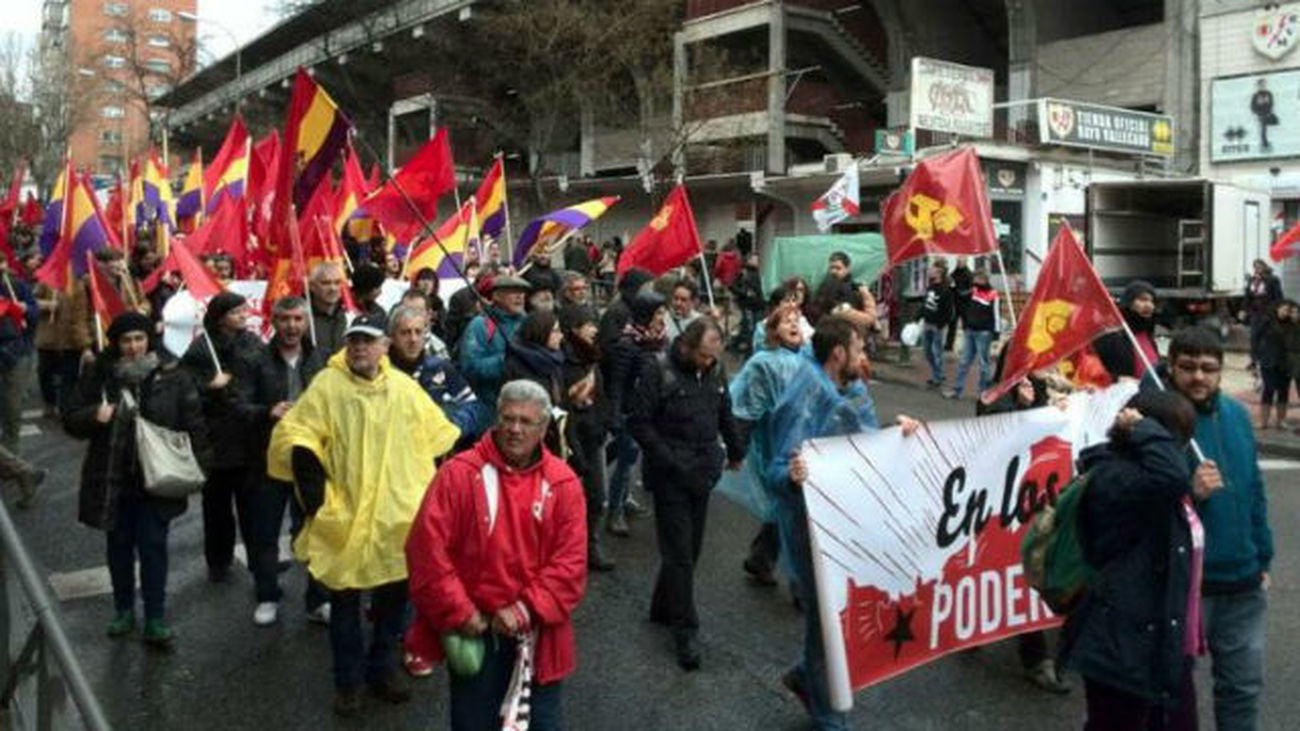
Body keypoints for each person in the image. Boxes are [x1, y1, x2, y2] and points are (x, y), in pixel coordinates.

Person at [268, 313, 461, 716]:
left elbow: (438, 436)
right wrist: (316, 494)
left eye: (369, 341)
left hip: (397, 520)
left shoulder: (404, 389)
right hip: (347, 520)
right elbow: (298, 432)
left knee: (393, 605)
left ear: (384, 346)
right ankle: (349, 682)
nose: (360, 348)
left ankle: (383, 669)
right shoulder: (328, 386)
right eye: (354, 341)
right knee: (345, 610)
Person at [406, 380, 587, 731]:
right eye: (508, 419)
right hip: (477, 631)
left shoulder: (563, 484)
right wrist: (461, 611)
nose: (515, 429)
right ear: (496, 419)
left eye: (526, 422)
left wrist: (524, 609)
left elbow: (571, 564)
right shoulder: (458, 474)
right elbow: (426, 551)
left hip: (538, 637)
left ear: (544, 428)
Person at [775, 316, 918, 729]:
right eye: (858, 350)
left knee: (834, 618)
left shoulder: (848, 390)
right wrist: (792, 474)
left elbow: (865, 446)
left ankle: (807, 676)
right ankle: (829, 716)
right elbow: (776, 466)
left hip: (842, 523)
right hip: (810, 527)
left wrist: (899, 434)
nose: (864, 357)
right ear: (838, 353)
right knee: (830, 622)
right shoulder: (806, 393)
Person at [64, 312, 212, 646]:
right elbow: (70, 417)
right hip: (111, 478)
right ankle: (123, 609)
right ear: (115, 344)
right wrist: (93, 416)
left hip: (157, 478)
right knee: (118, 546)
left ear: (149, 340)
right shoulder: (100, 375)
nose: (133, 347)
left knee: (153, 546)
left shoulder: (172, 375)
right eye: (126, 341)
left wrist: (202, 467)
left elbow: (193, 420)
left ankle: (155, 616)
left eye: (139, 339)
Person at [1060, 390, 1201, 731]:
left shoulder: (1153, 480)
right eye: (1174, 437)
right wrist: (1144, 429)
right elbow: (1170, 476)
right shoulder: (1115, 476)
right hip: (1122, 643)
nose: (1181, 447)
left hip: (1163, 638)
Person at [1166, 327, 1273, 731]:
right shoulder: (1156, 424)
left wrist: (1263, 555)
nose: (1198, 377)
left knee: (1242, 690)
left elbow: (1254, 491)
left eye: (1208, 368)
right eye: (1188, 367)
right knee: (1174, 695)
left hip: (1244, 583)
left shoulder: (1236, 416)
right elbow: (1136, 506)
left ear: (1221, 373)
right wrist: (1189, 493)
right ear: (1172, 367)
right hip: (1187, 585)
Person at [629, 317, 744, 671]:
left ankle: (662, 605)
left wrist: (736, 450)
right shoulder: (657, 370)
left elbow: (724, 410)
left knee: (689, 549)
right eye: (704, 356)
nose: (709, 363)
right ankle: (685, 631)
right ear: (687, 346)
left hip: (703, 471)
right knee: (679, 553)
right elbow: (639, 422)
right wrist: (668, 459)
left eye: (714, 357)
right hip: (670, 475)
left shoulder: (714, 370)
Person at [243, 296, 328, 626]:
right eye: (285, 319)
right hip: (268, 459)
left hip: (310, 460)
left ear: (306, 322)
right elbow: (239, 404)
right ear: (273, 322)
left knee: (316, 528)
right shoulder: (255, 360)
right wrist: (267, 411)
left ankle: (318, 599)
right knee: (265, 531)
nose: (292, 326)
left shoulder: (320, 360)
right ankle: (267, 595)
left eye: (297, 319)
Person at [178, 292, 262, 584]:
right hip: (215, 442)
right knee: (217, 509)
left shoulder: (252, 342)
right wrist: (208, 387)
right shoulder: (201, 349)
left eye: (244, 310)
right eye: (236, 312)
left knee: (253, 509)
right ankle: (218, 561)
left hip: (248, 438)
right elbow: (185, 390)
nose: (243, 315)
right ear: (220, 316)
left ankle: (260, 563)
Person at [730, 303, 810, 588]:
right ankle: (801, 585)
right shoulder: (763, 362)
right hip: (776, 446)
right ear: (773, 331)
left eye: (797, 321)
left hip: (805, 444)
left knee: (788, 506)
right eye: (786, 321)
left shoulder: (809, 358)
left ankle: (761, 558)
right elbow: (747, 409)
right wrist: (736, 448)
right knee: (792, 508)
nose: (793, 325)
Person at [604, 290, 669, 537]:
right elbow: (618, 383)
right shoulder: (627, 344)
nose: (663, 318)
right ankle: (615, 511)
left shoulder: (660, 340)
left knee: (623, 453)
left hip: (649, 410)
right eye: (659, 313)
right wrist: (617, 415)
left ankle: (592, 471)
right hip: (630, 412)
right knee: (626, 460)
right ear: (645, 315)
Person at [558, 304, 615, 571]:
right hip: (571, 441)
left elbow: (602, 395)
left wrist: (604, 423)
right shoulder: (561, 363)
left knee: (596, 495)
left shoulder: (592, 358)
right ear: (573, 330)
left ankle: (589, 544)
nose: (594, 329)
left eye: (594, 323)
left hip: (593, 437)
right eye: (587, 324)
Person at [389, 305, 485, 442]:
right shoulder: (380, 371)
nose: (413, 339)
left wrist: (450, 426)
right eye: (405, 332)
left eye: (418, 332)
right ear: (392, 336)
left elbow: (472, 405)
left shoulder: (440, 367)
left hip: (435, 454)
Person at [459, 275, 530, 420]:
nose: (520, 297)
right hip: (492, 408)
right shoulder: (480, 325)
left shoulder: (529, 323)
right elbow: (470, 368)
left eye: (522, 292)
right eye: (513, 292)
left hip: (526, 405)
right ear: (497, 296)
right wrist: (505, 361)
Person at [34, 273, 91, 417]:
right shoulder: (47, 281)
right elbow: (32, 301)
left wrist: (84, 342)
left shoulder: (80, 284)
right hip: (49, 338)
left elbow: (83, 313)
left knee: (68, 377)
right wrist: (47, 305)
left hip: (70, 339)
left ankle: (65, 408)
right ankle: (50, 402)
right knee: (44, 373)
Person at [0, 257, 38, 454]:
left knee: (12, 404)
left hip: (16, 352)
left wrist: (26, 310)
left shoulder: (17, 286)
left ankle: (11, 451)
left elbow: (34, 312)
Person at [945, 269, 999, 399]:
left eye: (977, 279)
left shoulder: (993, 294)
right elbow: (961, 296)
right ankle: (958, 390)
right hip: (970, 329)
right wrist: (953, 285)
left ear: (984, 279)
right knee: (964, 361)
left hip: (984, 332)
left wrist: (996, 331)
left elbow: (996, 314)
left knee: (983, 363)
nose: (974, 281)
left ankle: (983, 392)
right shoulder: (973, 291)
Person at [1094, 280, 1161, 381]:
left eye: (1152, 301)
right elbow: (1091, 371)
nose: (1149, 305)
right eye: (1142, 300)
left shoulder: (1148, 337)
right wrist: (1117, 379)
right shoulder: (1111, 336)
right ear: (1128, 303)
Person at [808, 251, 877, 330]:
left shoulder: (857, 290)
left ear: (847, 269)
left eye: (838, 268)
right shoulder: (824, 287)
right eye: (831, 268)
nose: (834, 271)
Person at [1253, 300, 1291, 429]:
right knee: (1268, 391)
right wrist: (1255, 357)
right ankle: (1263, 421)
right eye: (1284, 310)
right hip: (1269, 362)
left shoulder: (1291, 325)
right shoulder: (1267, 322)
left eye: (1288, 311)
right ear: (1278, 309)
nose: (1286, 313)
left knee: (1283, 392)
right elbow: (1256, 338)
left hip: (1285, 363)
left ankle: (1281, 421)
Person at [1241, 259, 1282, 370]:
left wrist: (1276, 311)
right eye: (1255, 267)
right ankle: (1254, 360)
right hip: (1255, 313)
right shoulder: (1253, 280)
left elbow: (1278, 297)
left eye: (1259, 266)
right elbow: (1247, 297)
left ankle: (1269, 361)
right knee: (1254, 338)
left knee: (1267, 339)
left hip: (1268, 313)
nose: (1257, 269)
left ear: (1264, 267)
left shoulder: (1273, 280)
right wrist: (1243, 310)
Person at [920, 264, 954, 389]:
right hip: (927, 322)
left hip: (937, 325)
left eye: (932, 271)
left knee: (936, 351)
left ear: (939, 274)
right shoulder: (930, 287)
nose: (929, 272)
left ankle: (938, 377)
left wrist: (942, 324)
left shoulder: (945, 290)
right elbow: (925, 304)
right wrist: (918, 317)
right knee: (928, 351)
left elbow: (949, 310)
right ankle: (938, 373)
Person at [308, 261, 349, 357]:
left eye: (337, 282)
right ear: (312, 286)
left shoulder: (350, 315)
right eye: (325, 283)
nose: (333, 288)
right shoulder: (301, 317)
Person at [729, 254, 764, 354]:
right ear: (748, 260)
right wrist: (744, 293)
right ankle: (746, 347)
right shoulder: (743, 272)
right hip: (748, 304)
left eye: (757, 259)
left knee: (752, 326)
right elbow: (731, 285)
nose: (756, 261)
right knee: (749, 327)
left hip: (757, 304)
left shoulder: (757, 272)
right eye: (754, 259)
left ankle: (740, 344)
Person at [946, 256, 972, 352]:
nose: (959, 263)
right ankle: (948, 345)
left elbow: (971, 289)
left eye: (961, 261)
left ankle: (968, 346)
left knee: (966, 326)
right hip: (955, 303)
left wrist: (960, 291)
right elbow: (949, 285)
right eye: (958, 261)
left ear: (965, 262)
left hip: (965, 304)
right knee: (952, 325)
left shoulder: (969, 274)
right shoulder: (954, 273)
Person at [665, 277, 701, 342]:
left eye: (683, 300)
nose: (678, 303)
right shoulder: (663, 319)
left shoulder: (700, 321)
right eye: (676, 298)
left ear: (693, 302)